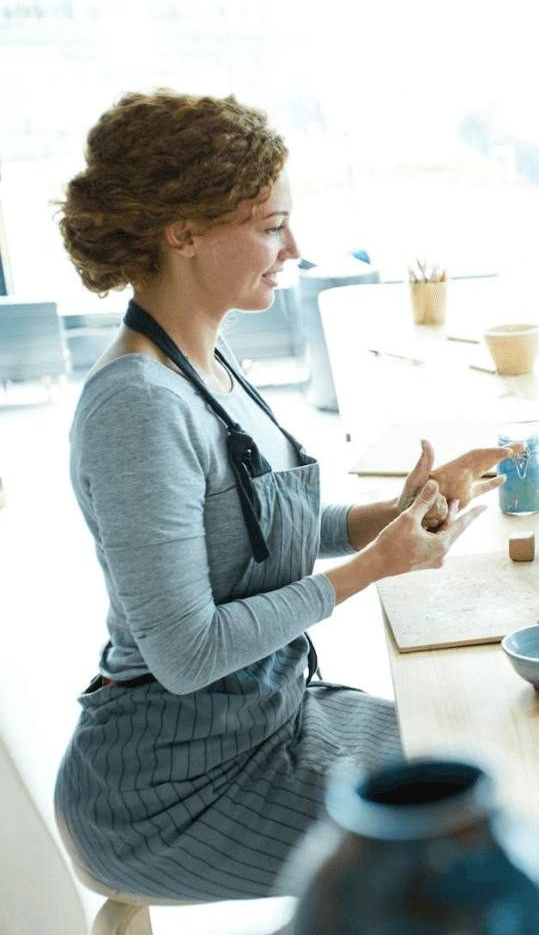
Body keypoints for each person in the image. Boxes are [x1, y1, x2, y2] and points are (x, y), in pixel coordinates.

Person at [53, 90, 514, 900]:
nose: (294, 247)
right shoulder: (137, 407)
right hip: (171, 790)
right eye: (271, 226)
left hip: (269, 716)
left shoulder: (209, 360)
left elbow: (256, 531)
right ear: (182, 232)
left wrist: (395, 515)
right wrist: (372, 568)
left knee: (500, 756)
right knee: (471, 839)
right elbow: (186, 653)